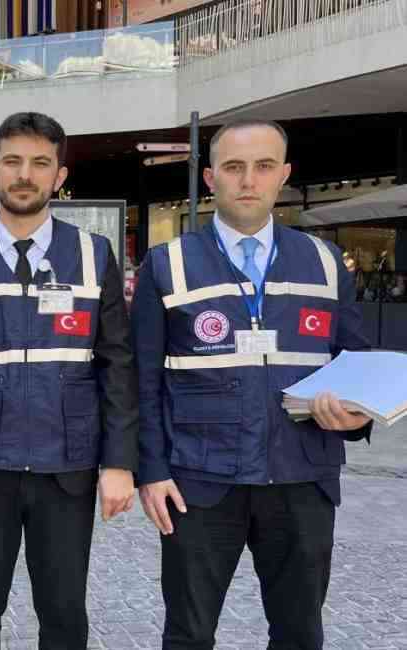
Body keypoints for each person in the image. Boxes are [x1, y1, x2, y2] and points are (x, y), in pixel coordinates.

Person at [132, 119, 373, 649]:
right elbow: (142, 380)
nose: (249, 180)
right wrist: (150, 470)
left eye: (264, 167)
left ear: (283, 174)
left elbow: (353, 365)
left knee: (300, 632)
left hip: (302, 477)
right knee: (189, 633)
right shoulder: (165, 264)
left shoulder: (327, 263)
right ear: (211, 176)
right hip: (199, 480)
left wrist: (358, 418)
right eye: (235, 167)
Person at [0, 112, 138, 650]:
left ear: (59, 176)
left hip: (68, 466)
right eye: (13, 162)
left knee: (63, 614)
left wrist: (120, 463)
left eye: (41, 163)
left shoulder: (93, 255)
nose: (25, 174)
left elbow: (117, 364)